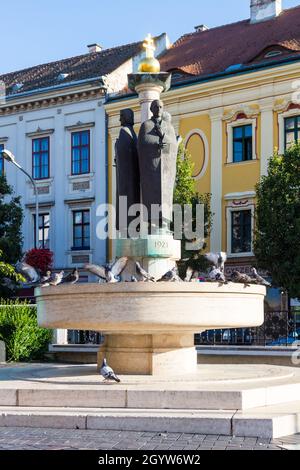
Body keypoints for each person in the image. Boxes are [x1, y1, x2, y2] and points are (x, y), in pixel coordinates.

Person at [137, 100, 178, 231]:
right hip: (151, 169)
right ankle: (153, 222)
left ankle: (165, 222)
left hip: (166, 170)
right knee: (151, 196)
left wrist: (166, 146)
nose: (159, 109)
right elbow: (142, 144)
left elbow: (173, 145)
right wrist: (155, 145)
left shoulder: (168, 126)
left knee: (166, 197)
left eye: (161, 107)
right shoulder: (146, 125)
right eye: (156, 106)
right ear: (151, 109)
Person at [115, 109, 140, 235]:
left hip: (126, 182)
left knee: (126, 209)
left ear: (127, 117)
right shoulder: (131, 133)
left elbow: (122, 152)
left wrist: (117, 147)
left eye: (121, 117)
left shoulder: (124, 132)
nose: (120, 120)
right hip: (132, 182)